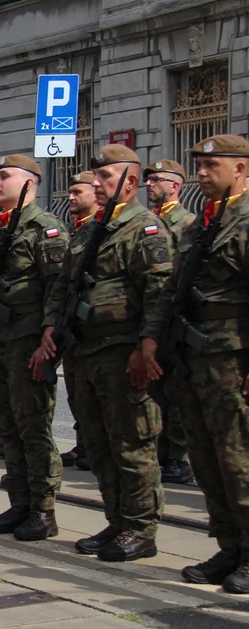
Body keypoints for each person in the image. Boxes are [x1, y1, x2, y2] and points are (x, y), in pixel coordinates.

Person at [34, 144, 172, 562]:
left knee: (132, 443)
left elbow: (159, 296)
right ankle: (117, 520)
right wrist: (49, 330)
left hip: (121, 352)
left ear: (129, 184)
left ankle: (141, 528)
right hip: (83, 352)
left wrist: (145, 347)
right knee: (98, 444)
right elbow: (63, 285)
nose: (95, 184)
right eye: (94, 178)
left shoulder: (145, 229)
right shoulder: (90, 230)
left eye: (105, 178)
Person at [137, 134, 249, 592]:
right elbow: (172, 291)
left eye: (211, 166)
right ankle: (230, 545)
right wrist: (150, 338)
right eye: (198, 166)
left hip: (232, 358)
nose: (201, 174)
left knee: (238, 458)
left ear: (241, 169)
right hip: (192, 357)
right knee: (205, 457)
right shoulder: (199, 225)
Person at [0, 155, 68, 541]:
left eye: (4, 176)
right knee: (6, 427)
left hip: (27, 344)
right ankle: (19, 502)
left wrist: (49, 336)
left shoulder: (46, 229)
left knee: (33, 427)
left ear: (30, 183)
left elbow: (59, 288)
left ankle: (43, 509)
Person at [143, 159, 196, 485]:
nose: (149, 185)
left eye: (156, 180)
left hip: (176, 321)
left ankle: (177, 457)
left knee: (175, 392)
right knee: (154, 392)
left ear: (174, 186)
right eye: (147, 180)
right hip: (153, 318)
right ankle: (160, 453)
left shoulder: (186, 223)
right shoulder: (149, 221)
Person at [60, 172, 98, 472]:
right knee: (76, 393)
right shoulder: (76, 230)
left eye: (77, 191)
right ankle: (84, 443)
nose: (71, 197)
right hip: (73, 328)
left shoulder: (98, 230)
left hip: (101, 332)